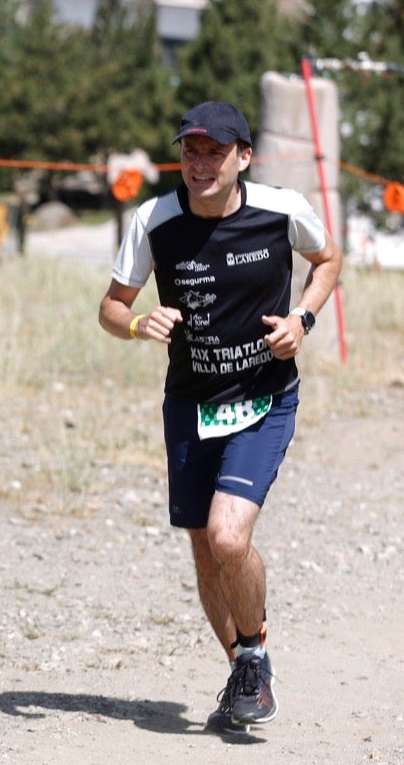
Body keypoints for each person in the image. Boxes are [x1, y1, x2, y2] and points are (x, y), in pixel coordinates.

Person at [98, 100, 343, 732]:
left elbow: (329, 261)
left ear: (243, 157)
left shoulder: (282, 211)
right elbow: (111, 305)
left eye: (214, 151)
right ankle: (245, 671)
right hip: (190, 405)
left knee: (230, 536)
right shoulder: (154, 220)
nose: (199, 163)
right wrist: (135, 324)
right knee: (206, 549)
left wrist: (303, 320)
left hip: (264, 398)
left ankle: (255, 652)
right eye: (189, 150)